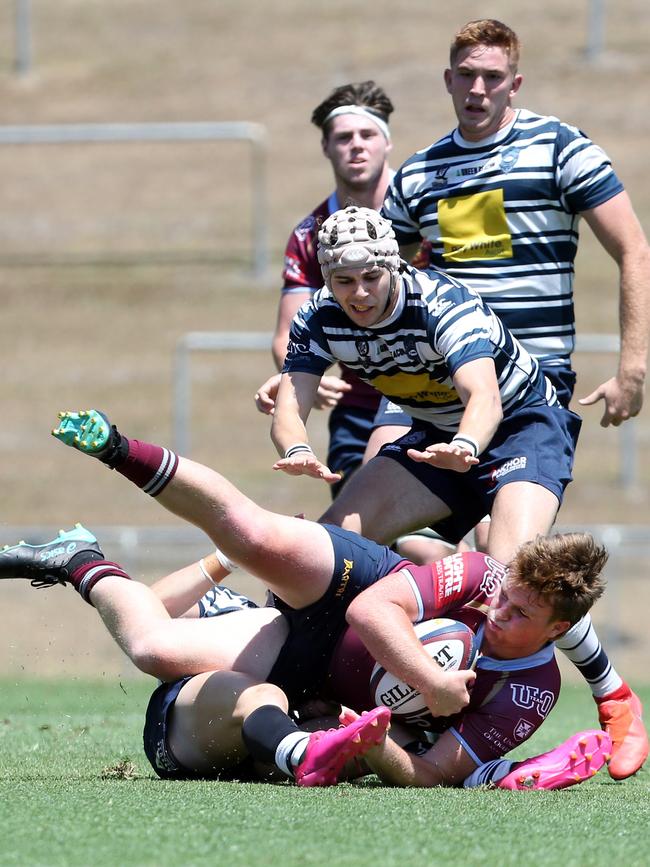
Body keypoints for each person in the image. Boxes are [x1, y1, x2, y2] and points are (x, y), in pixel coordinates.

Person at [0, 406, 630, 789]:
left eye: (519, 615)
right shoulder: (489, 578)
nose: (498, 609)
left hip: (316, 679)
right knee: (251, 533)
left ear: (555, 632)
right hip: (358, 588)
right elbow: (371, 610)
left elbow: (433, 771)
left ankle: (80, 560)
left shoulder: (530, 691)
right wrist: (430, 684)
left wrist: (369, 738)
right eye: (506, 594)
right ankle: (118, 446)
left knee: (151, 647)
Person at [379, 17, 650, 779]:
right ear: (447, 80)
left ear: (514, 84)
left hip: (531, 400)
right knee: (351, 534)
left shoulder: (561, 148)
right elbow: (384, 293)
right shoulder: (419, 177)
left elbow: (633, 247)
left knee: (510, 574)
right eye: (465, 74)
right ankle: (328, 704)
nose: (477, 88)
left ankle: (611, 694)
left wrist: (632, 364)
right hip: (443, 406)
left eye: (492, 76)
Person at [272, 204, 579, 568]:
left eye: (371, 277)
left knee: (511, 573)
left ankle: (571, 626)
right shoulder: (316, 317)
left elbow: (484, 396)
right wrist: (295, 449)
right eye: (345, 281)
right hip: (435, 437)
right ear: (326, 277)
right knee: (322, 556)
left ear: (393, 267)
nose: (359, 294)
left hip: (522, 427)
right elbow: (289, 404)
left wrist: (464, 444)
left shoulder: (441, 304)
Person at [257, 80, 409, 497]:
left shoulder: (422, 212)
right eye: (343, 138)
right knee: (357, 535)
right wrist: (304, 375)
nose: (356, 146)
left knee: (420, 542)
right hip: (358, 407)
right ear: (326, 147)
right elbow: (287, 336)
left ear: (387, 142)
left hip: (431, 399)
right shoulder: (310, 235)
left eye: (367, 135)